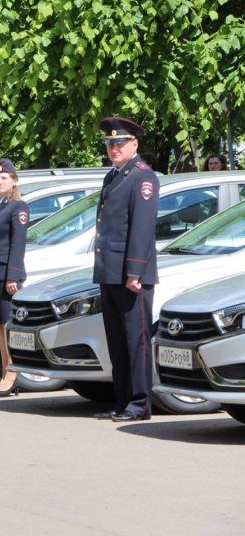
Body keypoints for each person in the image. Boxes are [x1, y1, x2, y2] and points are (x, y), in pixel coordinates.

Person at [93, 116, 159, 422]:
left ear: (134, 144)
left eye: (120, 143)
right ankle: (122, 401)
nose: (114, 148)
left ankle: (140, 403)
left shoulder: (143, 177)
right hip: (110, 270)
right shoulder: (114, 176)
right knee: (117, 341)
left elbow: (142, 229)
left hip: (131, 274)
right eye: (110, 143)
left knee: (136, 341)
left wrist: (134, 271)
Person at [0, 159, 30, 397]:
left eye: (4, 178)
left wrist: (13, 276)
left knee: (7, 325)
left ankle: (11, 374)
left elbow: (17, 245)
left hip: (6, 275)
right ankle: (5, 371)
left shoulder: (17, 207)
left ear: (14, 180)